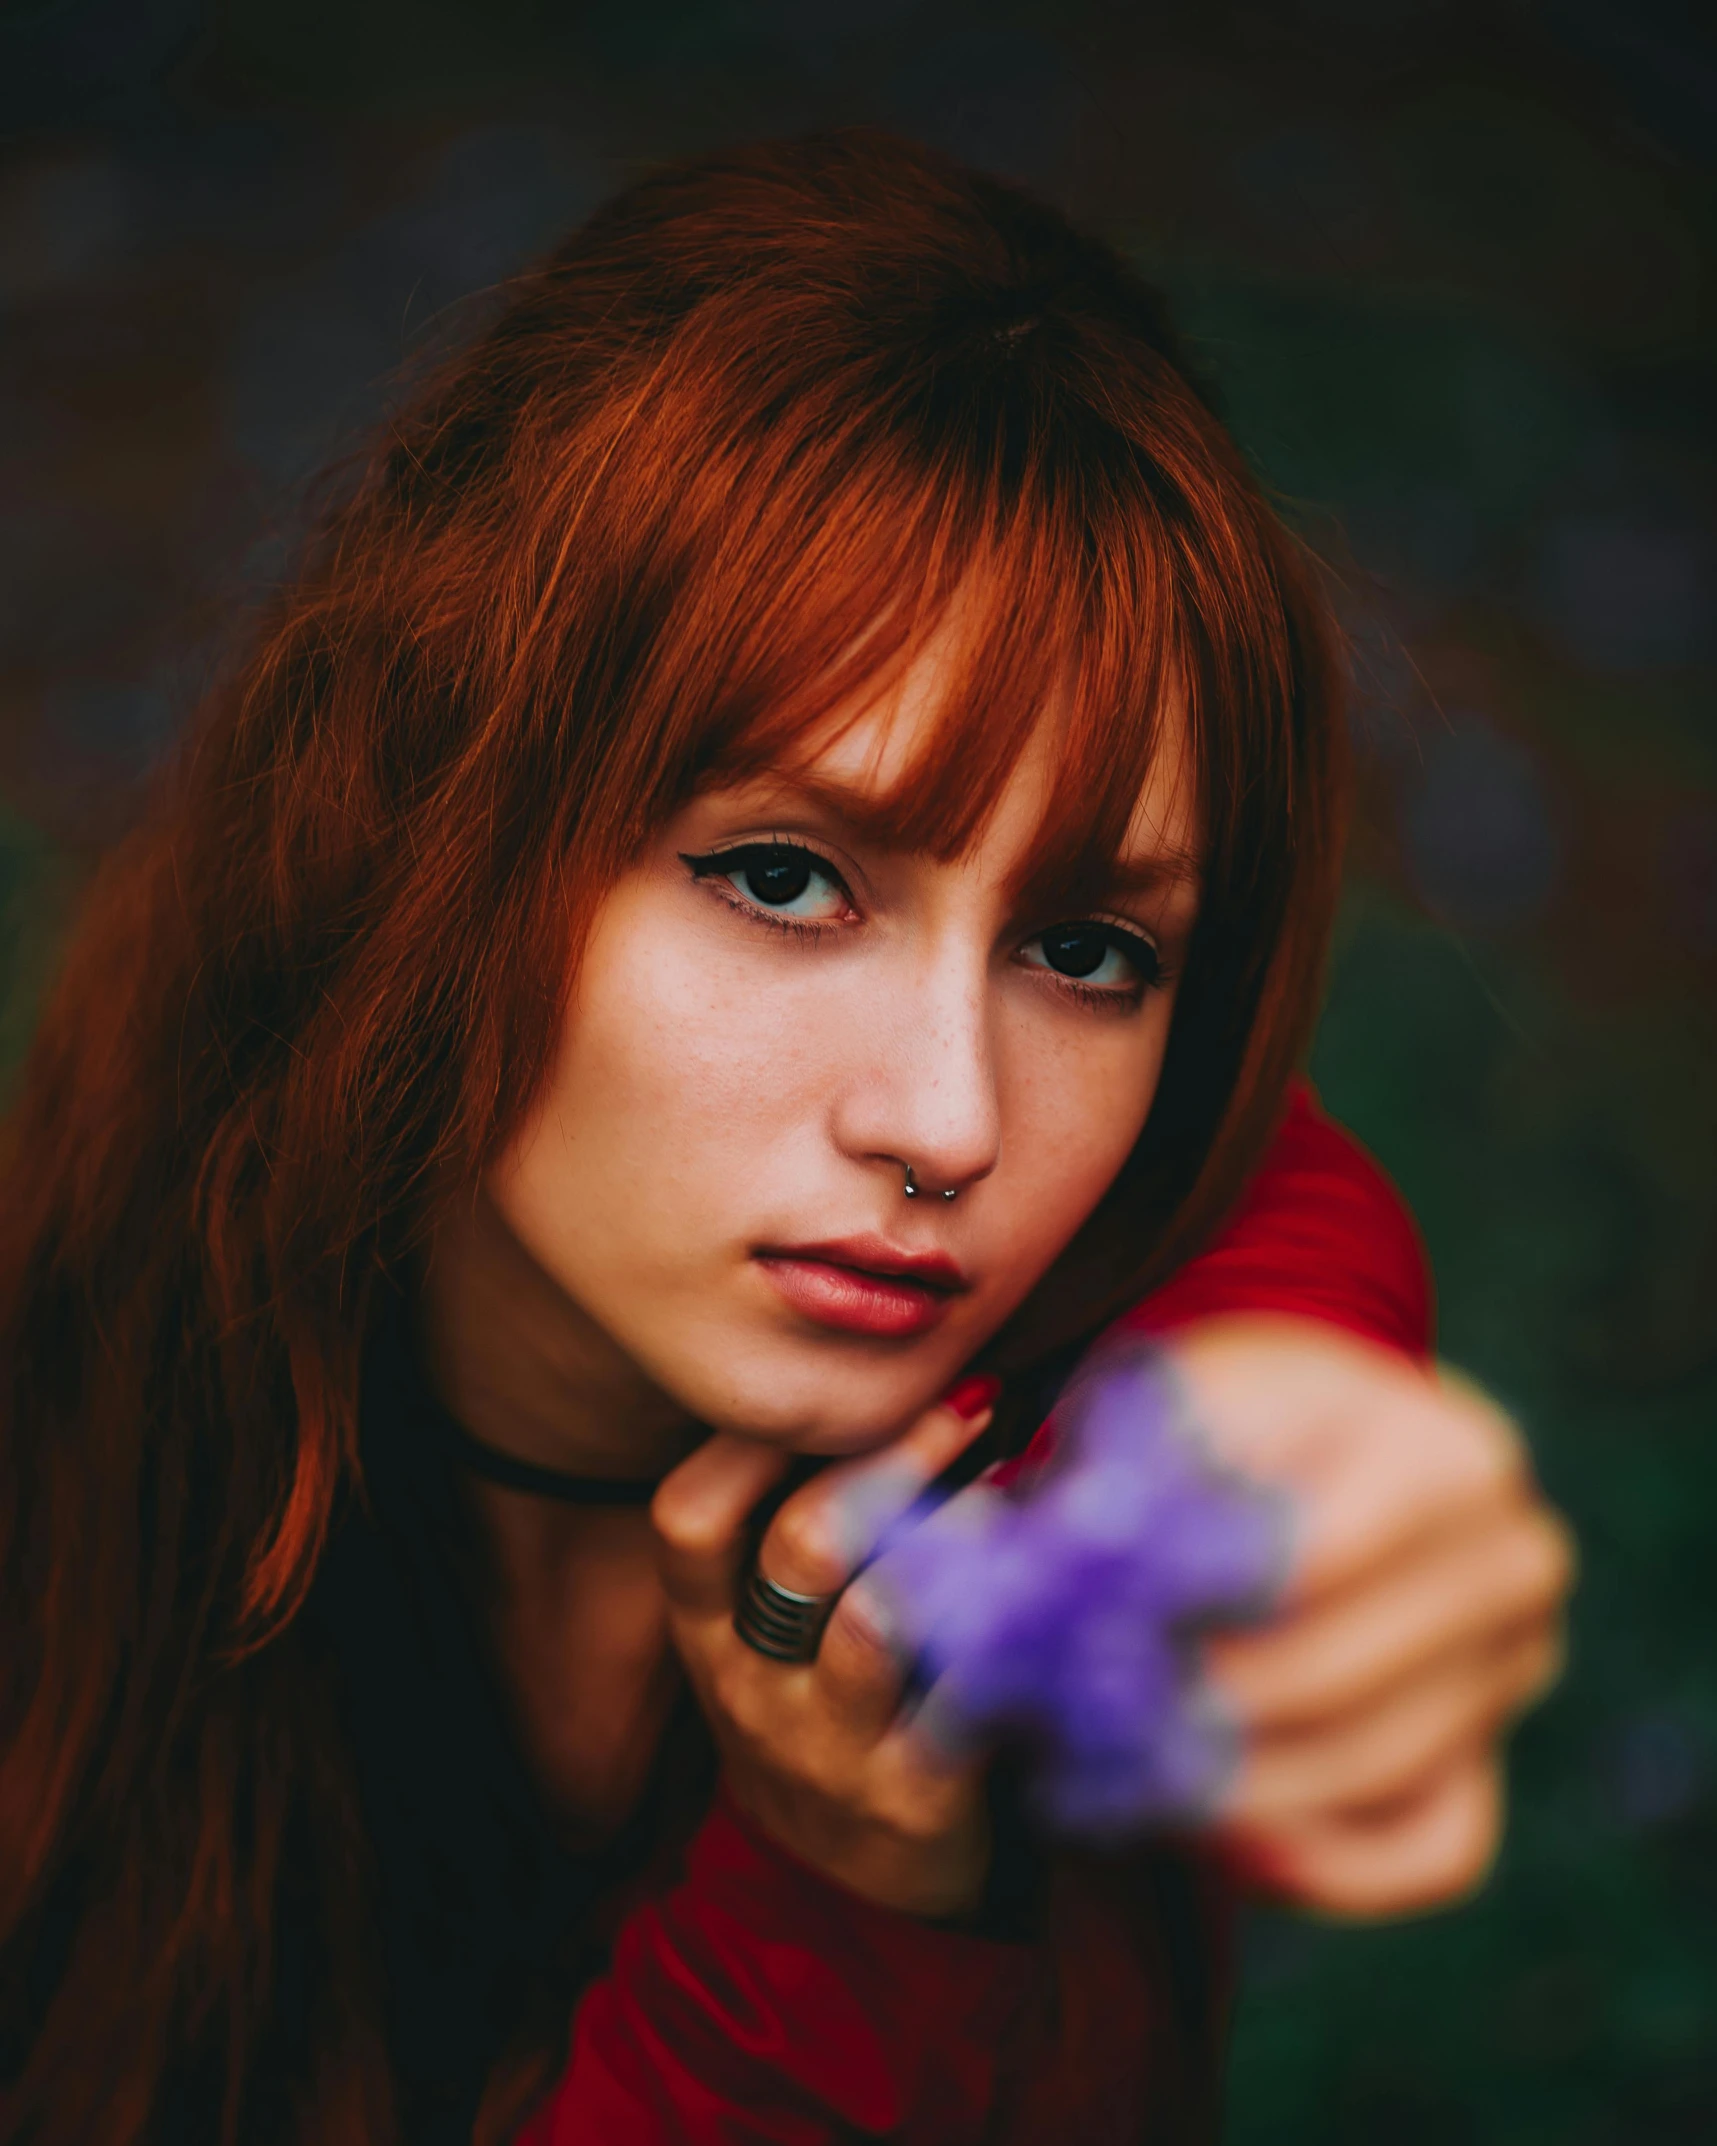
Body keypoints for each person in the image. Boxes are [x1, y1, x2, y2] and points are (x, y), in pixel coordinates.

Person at [0, 132, 1572, 2145]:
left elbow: (1275, 1214)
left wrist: (850, 1900)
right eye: (782, 876)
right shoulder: (127, 1351)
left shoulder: (1063, 1492)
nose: (947, 1118)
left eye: (1086, 946)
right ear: (439, 823)